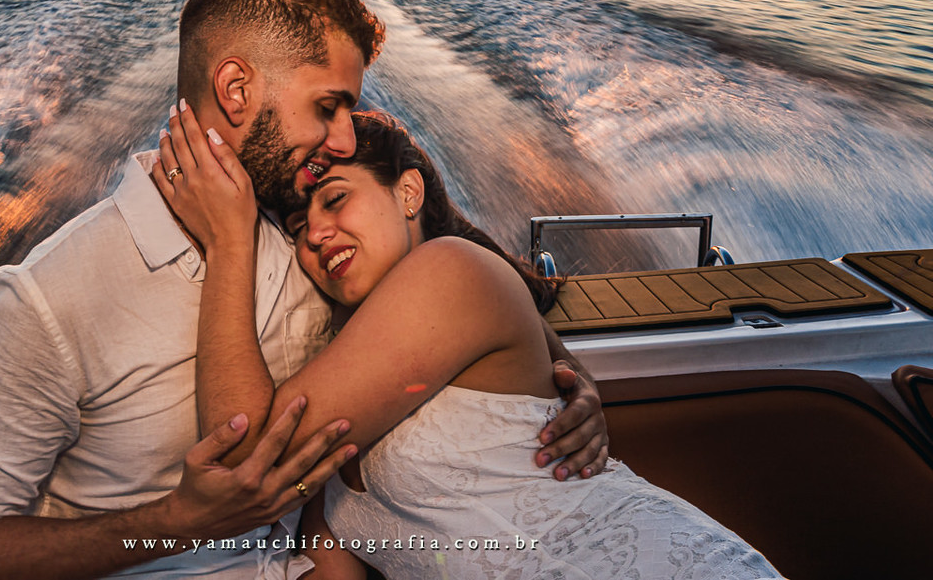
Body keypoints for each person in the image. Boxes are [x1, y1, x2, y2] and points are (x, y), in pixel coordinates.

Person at [0, 0, 608, 580]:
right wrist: (167, 525)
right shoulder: (43, 300)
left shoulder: (310, 232)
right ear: (237, 89)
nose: (341, 138)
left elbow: (445, 280)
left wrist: (567, 377)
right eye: (328, 106)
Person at [154, 109, 783, 579]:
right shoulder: (345, 391)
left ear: (407, 192)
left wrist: (229, 245)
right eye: (297, 226)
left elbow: (240, 462)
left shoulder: (450, 268)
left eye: (335, 199)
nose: (316, 232)